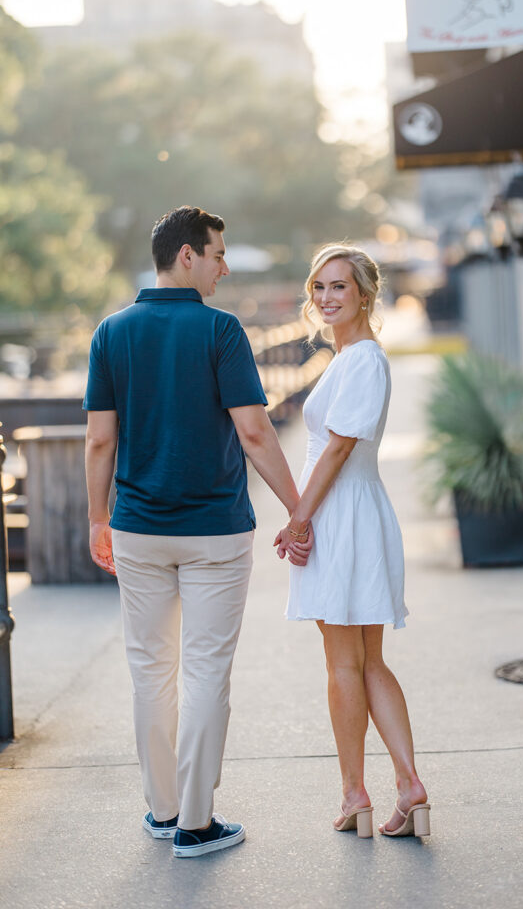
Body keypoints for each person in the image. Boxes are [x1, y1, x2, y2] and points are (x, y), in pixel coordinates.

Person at [84, 205, 310, 859]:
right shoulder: (220, 331)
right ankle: (195, 822)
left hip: (138, 529)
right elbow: (253, 431)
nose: (224, 264)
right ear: (186, 255)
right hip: (213, 533)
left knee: (149, 670)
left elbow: (100, 441)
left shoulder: (111, 333)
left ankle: (162, 811)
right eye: (216, 253)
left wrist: (98, 518)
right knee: (206, 670)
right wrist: (297, 508)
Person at [276, 243, 430, 839]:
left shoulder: (363, 359)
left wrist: (299, 519)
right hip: (355, 510)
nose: (326, 297)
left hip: (342, 512)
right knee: (367, 662)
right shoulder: (348, 359)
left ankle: (353, 795)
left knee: (345, 662)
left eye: (339, 286)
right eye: (318, 287)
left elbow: (338, 446)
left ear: (365, 293)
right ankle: (408, 786)